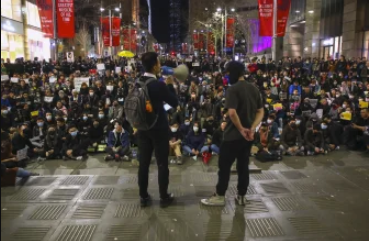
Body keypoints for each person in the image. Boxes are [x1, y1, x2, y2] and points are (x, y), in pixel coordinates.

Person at [201, 61, 264, 207]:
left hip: (232, 136)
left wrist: (241, 129)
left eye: (228, 73)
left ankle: (220, 196)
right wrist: (252, 128)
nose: (227, 76)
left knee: (224, 167)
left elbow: (232, 112)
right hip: (247, 138)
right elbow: (261, 111)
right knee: (243, 166)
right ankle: (241, 196)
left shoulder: (232, 89)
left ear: (234, 72)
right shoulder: (254, 88)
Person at [136, 52, 179, 208]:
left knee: (144, 164)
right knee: (162, 164)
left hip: (142, 129)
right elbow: (174, 101)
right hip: (158, 129)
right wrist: (169, 84)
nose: (160, 65)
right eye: (159, 63)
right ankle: (164, 197)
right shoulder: (158, 85)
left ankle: (143, 196)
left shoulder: (138, 82)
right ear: (154, 66)